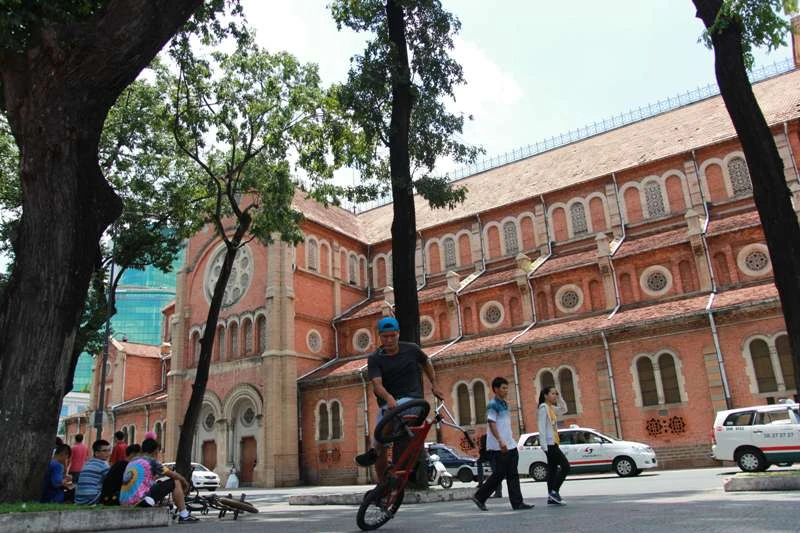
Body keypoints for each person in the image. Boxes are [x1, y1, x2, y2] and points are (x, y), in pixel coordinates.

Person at [354, 316, 444, 482]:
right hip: (389, 405)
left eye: (392, 336)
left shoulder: (412, 349)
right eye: (385, 336)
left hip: (413, 401)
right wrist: (388, 397)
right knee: (379, 443)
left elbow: (426, 362)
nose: (389, 340)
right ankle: (382, 483)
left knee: (393, 418)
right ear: (379, 336)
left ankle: (382, 450)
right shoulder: (375, 358)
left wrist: (435, 384)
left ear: (398, 334)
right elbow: (377, 385)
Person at [471, 377, 533, 511]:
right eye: (503, 388)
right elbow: (491, 423)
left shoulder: (505, 404)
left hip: (510, 444)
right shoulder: (493, 405)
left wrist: (509, 439)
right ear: (496, 389)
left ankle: (517, 503)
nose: (506, 390)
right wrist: (500, 440)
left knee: (513, 474)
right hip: (499, 446)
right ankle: (480, 497)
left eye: (507, 388)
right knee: (499, 474)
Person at [120, 438, 197, 523]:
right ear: (155, 451)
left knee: (157, 484)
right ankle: (184, 515)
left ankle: (149, 502)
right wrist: (185, 482)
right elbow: (173, 475)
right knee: (175, 481)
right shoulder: (151, 461)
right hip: (140, 499)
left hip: (124, 500)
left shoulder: (133, 461)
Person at [537, 385, 569, 505]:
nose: (555, 395)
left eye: (556, 393)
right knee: (566, 466)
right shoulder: (543, 408)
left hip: (554, 442)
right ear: (546, 395)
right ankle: (554, 492)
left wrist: (559, 397)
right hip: (549, 444)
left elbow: (564, 409)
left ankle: (551, 497)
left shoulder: (551, 408)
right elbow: (541, 428)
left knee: (552, 470)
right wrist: (544, 446)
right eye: (553, 393)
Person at [75, 440, 111, 505]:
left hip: (79, 500)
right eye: (104, 451)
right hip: (92, 499)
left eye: (109, 450)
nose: (108, 453)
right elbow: (112, 481)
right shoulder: (103, 465)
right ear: (96, 453)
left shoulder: (87, 463)